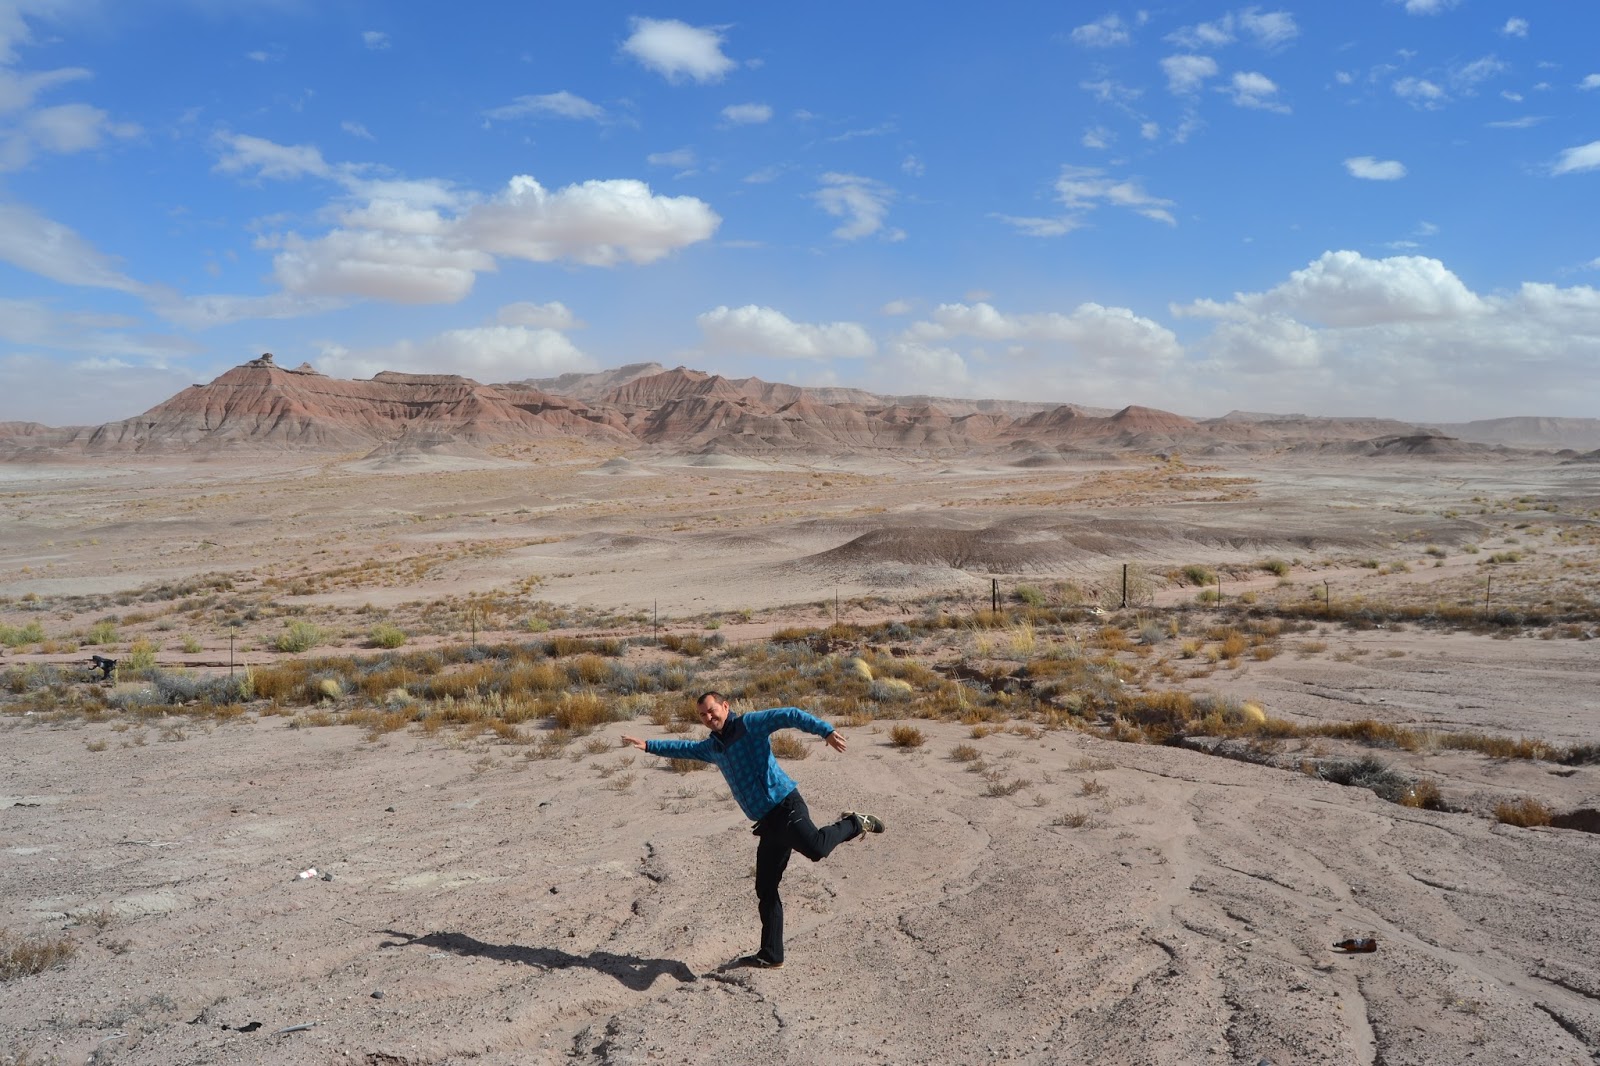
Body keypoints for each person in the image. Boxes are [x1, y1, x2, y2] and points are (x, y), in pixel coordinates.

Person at [622, 691, 885, 969]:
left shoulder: (750, 725)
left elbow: (790, 714)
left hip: (785, 805)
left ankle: (855, 822)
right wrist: (648, 744)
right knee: (765, 888)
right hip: (767, 824)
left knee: (817, 848)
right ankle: (771, 955)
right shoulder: (714, 748)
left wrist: (826, 731)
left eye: (712, 711)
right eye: (702, 715)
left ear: (726, 706)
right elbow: (683, 749)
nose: (709, 718)